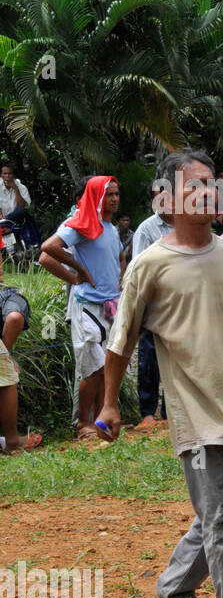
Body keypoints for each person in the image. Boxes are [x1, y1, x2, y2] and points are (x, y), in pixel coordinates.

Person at [96, 148, 223, 598]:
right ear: (166, 198)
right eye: (194, 185)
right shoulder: (150, 265)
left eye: (212, 184)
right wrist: (110, 404)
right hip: (196, 416)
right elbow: (121, 340)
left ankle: (175, 586)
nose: (208, 193)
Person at [38, 175, 125, 439]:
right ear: (96, 196)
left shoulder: (110, 228)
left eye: (117, 194)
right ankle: (81, 423)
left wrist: (121, 278)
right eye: (108, 194)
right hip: (87, 305)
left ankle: (101, 420)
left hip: (111, 306)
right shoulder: (82, 223)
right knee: (93, 368)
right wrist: (78, 273)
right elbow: (47, 249)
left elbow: (119, 254)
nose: (114, 199)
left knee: (105, 368)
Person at [132, 188, 173, 425]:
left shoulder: (183, 225)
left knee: (176, 356)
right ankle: (148, 412)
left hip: (178, 303)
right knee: (149, 358)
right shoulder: (147, 229)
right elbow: (139, 267)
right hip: (153, 303)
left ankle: (171, 410)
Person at [0, 263, 41, 452]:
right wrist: (7, 355)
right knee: (8, 379)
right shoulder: (10, 298)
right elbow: (15, 318)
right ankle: (12, 442)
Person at [0, 163, 39, 254]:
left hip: (17, 218)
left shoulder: (21, 187)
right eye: (5, 174)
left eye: (10, 174)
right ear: (1, 175)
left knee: (22, 211)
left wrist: (15, 189)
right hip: (3, 219)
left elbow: (21, 206)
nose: (7, 176)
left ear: (13, 175)